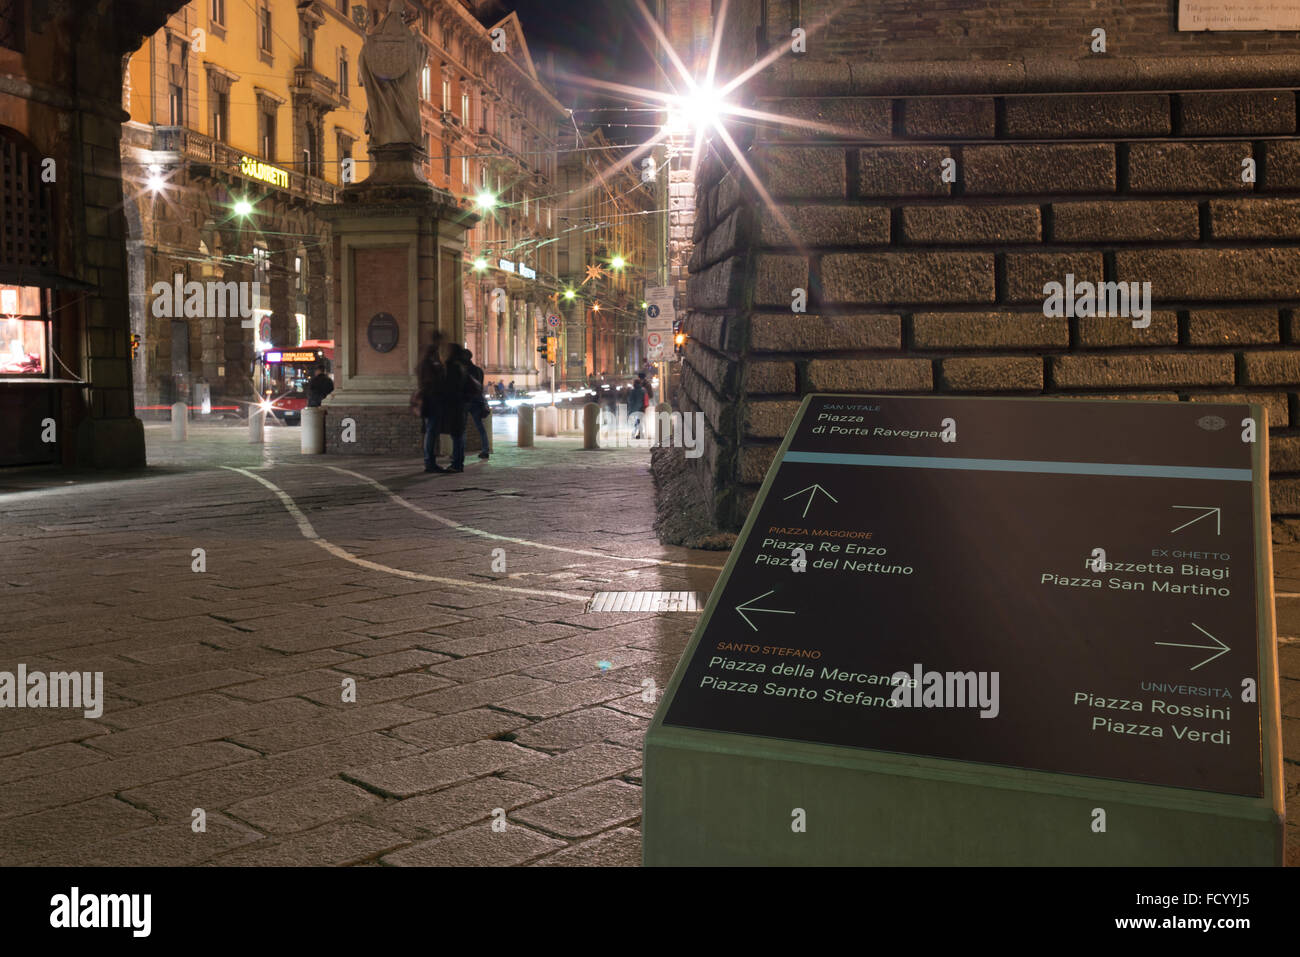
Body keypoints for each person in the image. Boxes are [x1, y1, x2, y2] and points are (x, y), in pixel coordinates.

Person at [439, 345, 478, 473]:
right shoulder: (461, 367)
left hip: (455, 405)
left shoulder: (452, 367)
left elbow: (450, 388)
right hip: (460, 404)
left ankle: (457, 463)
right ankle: (458, 462)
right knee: (459, 435)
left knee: (457, 435)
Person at [416, 340, 446, 473]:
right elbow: (435, 382)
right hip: (432, 401)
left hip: (427, 401)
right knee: (431, 432)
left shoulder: (422, 365)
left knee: (429, 431)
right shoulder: (432, 365)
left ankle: (429, 461)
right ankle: (430, 462)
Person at [459, 346, 492, 460]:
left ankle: (459, 451)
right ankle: (485, 449)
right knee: (480, 427)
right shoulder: (478, 370)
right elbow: (480, 385)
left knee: (461, 428)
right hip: (477, 401)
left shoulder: (462, 370)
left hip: (466, 401)